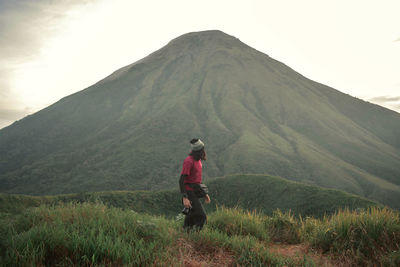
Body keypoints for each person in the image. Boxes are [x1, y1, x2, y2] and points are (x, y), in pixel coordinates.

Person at [179, 138, 211, 230]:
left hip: (195, 190)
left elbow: (196, 180)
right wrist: (185, 198)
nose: (204, 151)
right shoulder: (189, 161)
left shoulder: (198, 160)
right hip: (189, 192)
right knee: (202, 217)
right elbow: (181, 181)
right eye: (203, 149)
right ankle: (196, 237)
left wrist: (204, 194)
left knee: (191, 217)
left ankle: (184, 236)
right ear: (199, 151)